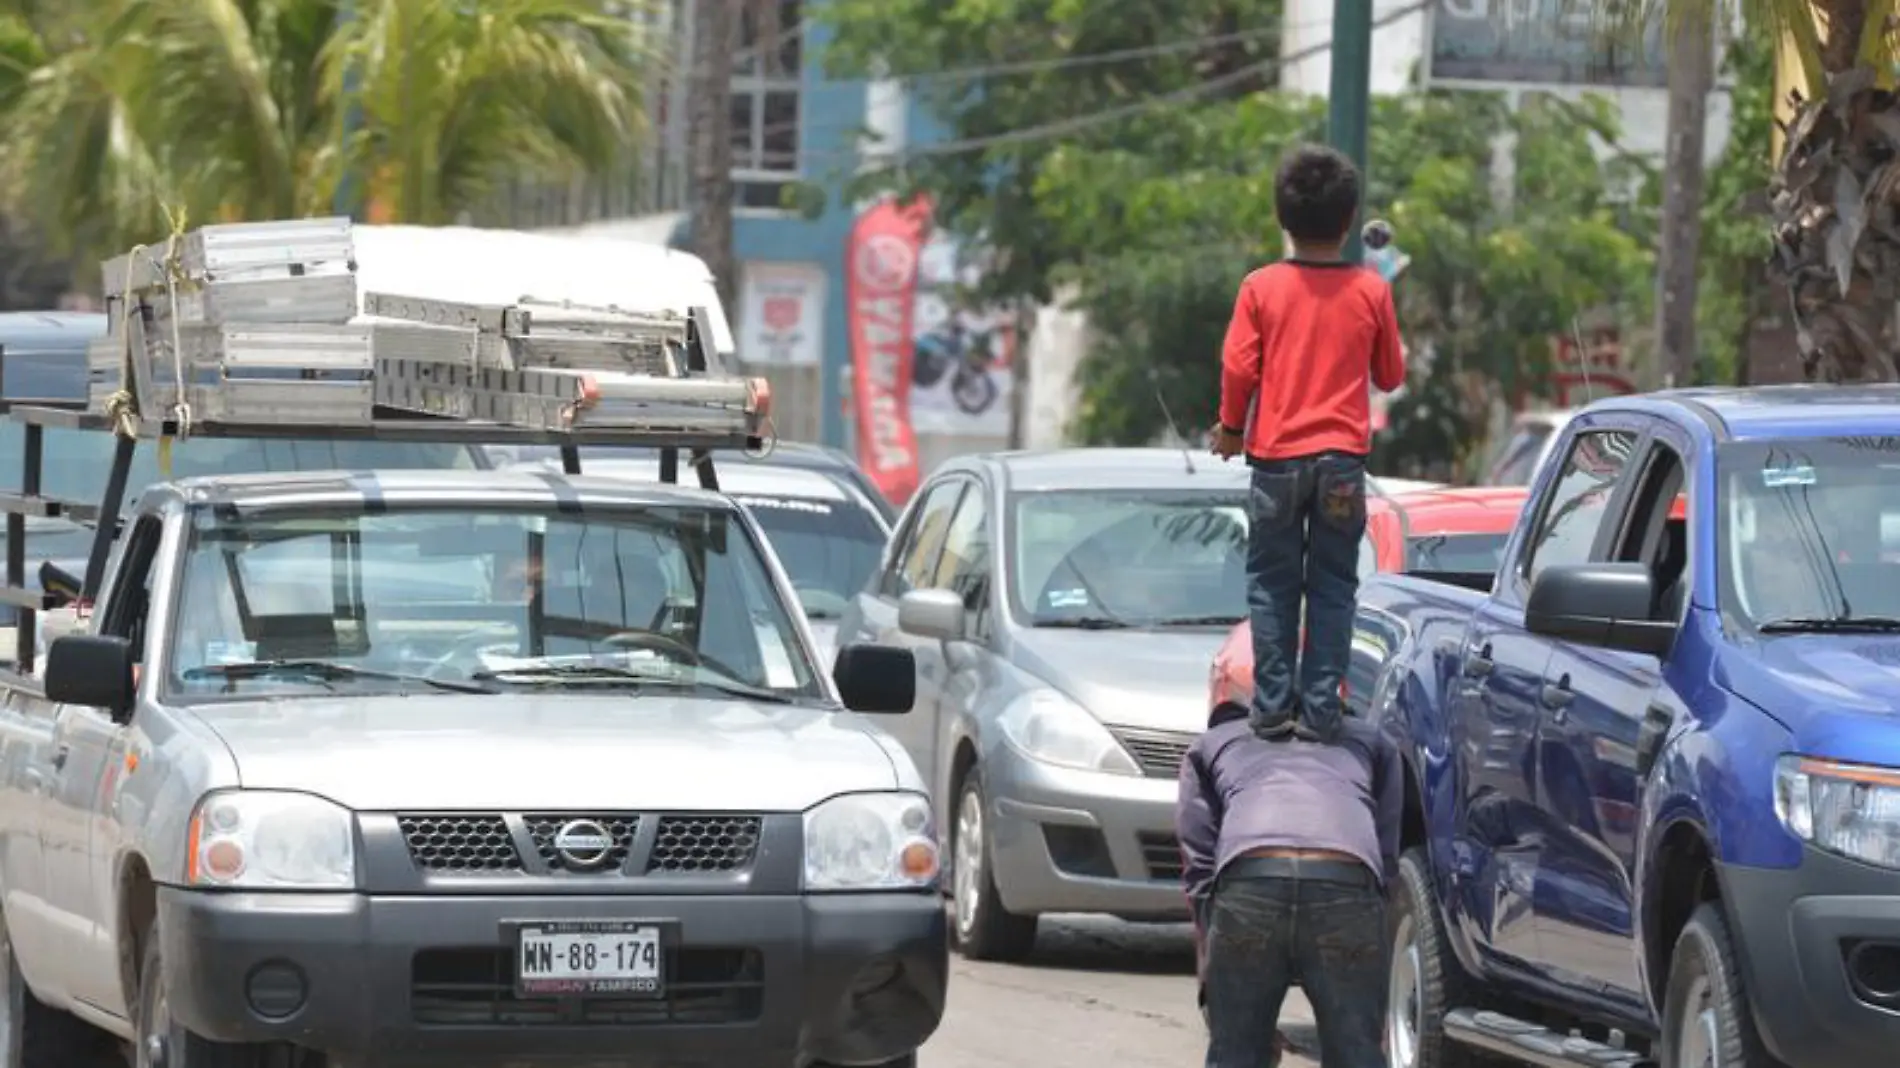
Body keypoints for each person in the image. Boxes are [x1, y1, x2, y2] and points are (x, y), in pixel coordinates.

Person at [1210, 143, 1406, 744]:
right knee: (1332, 583)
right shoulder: (1371, 292)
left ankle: (1270, 709)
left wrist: (1231, 428)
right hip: (1342, 465)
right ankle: (1322, 711)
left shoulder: (1260, 287)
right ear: (1348, 221)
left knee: (1272, 585)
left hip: (1274, 461)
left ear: (1282, 218)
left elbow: (1239, 368)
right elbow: (1391, 375)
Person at [1177, 702, 1402, 1068]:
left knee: (1236, 1053)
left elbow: (1198, 864)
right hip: (1345, 879)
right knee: (1356, 1051)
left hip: (1251, 878)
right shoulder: (1372, 740)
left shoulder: (1212, 743)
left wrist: (1215, 958)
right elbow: (1387, 856)